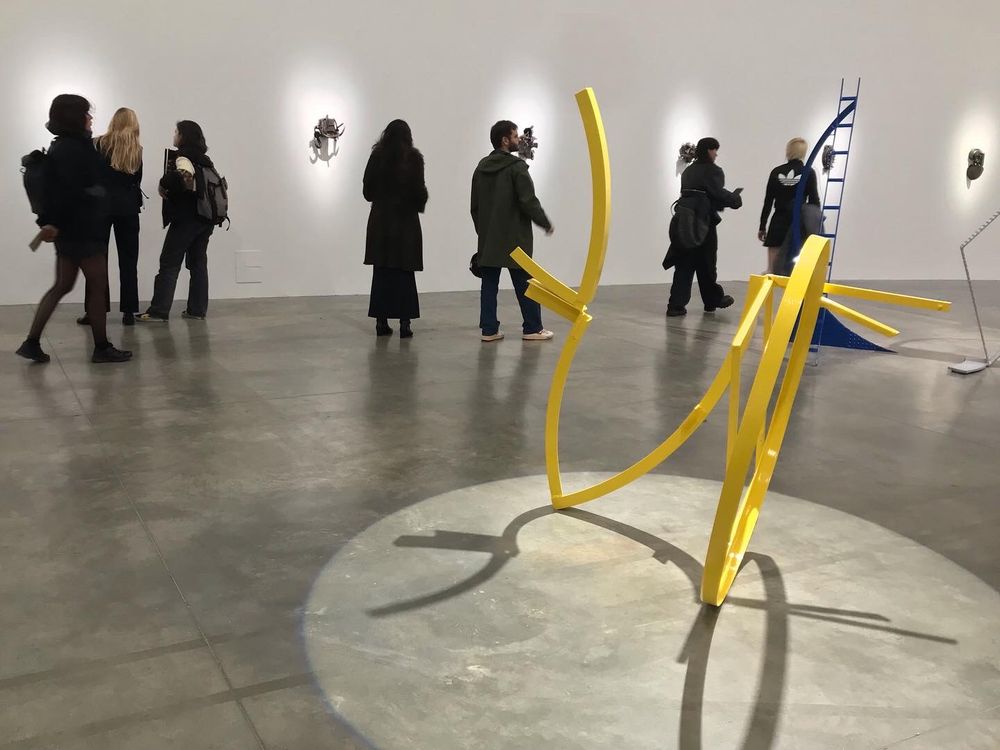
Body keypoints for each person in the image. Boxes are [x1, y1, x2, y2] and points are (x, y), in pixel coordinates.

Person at [15, 95, 132, 364]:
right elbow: (72, 192)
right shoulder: (75, 149)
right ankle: (101, 347)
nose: (90, 118)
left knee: (62, 285)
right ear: (75, 117)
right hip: (82, 230)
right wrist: (98, 194)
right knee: (98, 284)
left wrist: (51, 223)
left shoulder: (61, 147)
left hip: (68, 230)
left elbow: (61, 191)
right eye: (86, 114)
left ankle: (31, 343)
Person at [471, 120, 555, 342]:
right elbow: (528, 201)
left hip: (489, 239)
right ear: (505, 140)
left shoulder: (481, 168)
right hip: (515, 238)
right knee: (525, 283)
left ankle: (489, 330)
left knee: (489, 285)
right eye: (516, 136)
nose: (519, 140)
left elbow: (475, 207)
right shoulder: (517, 168)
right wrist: (545, 222)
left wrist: (483, 232)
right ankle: (532, 328)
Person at [137, 120, 215, 322]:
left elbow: (184, 177)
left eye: (176, 132)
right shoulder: (205, 160)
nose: (174, 135)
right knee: (198, 264)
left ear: (183, 136)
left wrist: (163, 184)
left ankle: (158, 311)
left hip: (187, 219)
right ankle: (197, 310)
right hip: (205, 220)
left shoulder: (184, 157)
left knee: (169, 264)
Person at [78, 107, 144, 327]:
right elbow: (136, 181)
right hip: (128, 209)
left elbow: (89, 176)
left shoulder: (97, 144)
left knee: (97, 261)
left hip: (100, 209)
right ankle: (128, 311)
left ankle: (94, 311)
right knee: (129, 261)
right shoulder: (136, 150)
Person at [363, 120, 428, 338]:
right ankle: (405, 324)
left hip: (381, 223)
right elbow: (419, 193)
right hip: (405, 225)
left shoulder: (377, 157)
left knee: (381, 273)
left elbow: (367, 192)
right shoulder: (414, 159)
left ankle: (381, 322)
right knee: (405, 274)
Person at [666, 137, 743, 318]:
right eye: (715, 150)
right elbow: (716, 194)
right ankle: (712, 300)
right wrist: (734, 199)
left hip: (684, 222)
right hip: (703, 223)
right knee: (707, 263)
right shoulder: (713, 170)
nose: (716, 154)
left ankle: (675, 305)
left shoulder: (688, 171)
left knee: (684, 264)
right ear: (708, 150)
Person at [758, 138, 820, 274]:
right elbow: (814, 201)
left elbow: (768, 201)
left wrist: (762, 226)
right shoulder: (808, 172)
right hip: (798, 221)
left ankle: (772, 279)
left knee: (772, 270)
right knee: (798, 267)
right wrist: (816, 225)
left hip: (778, 220)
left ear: (788, 151)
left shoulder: (776, 172)